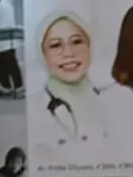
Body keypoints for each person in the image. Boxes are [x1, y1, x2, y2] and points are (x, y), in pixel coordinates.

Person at [33, 12, 107, 152]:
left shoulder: (117, 101)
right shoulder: (33, 109)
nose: (69, 53)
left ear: (89, 47)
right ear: (43, 55)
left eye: (76, 42)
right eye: (56, 45)